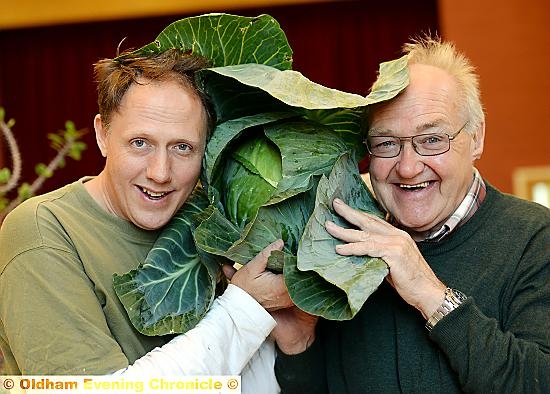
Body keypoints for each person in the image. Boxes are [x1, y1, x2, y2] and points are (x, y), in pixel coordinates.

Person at [0, 48, 290, 391]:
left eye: (182, 147)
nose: (160, 173)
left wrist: (287, 337)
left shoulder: (209, 218)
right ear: (102, 135)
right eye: (140, 143)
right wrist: (245, 308)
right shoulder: (42, 230)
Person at [273, 35, 550, 393]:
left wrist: (428, 291)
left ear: (476, 138)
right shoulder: (338, 245)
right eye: (387, 144)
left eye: (432, 139)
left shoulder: (535, 238)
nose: (407, 168)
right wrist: (299, 348)